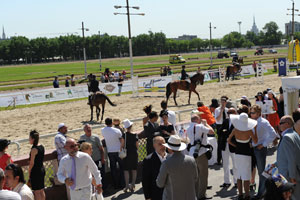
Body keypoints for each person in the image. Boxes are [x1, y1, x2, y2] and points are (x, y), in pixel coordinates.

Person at [156, 135, 198, 200]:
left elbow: (160, 183)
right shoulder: (191, 160)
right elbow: (195, 178)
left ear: (169, 148)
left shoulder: (166, 163)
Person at [228, 113, 258, 200]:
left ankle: (240, 194)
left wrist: (236, 146)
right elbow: (256, 141)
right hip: (246, 154)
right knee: (246, 176)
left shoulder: (235, 130)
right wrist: (255, 130)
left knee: (239, 175)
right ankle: (247, 195)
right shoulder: (249, 131)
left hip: (238, 153)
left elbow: (228, 140)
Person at [250, 105, 278, 199]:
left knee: (262, 172)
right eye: (251, 112)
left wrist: (263, 144)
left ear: (258, 113)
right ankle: (262, 191)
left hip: (260, 149)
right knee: (258, 171)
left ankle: (261, 193)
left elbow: (273, 134)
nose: (251, 114)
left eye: (253, 113)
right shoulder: (252, 122)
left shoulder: (263, 122)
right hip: (254, 148)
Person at [187, 115, 214, 200]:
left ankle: (196, 193)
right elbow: (212, 131)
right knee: (203, 175)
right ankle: (201, 195)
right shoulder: (200, 126)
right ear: (197, 120)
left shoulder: (188, 128)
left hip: (192, 153)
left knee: (196, 175)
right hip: (201, 152)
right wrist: (206, 124)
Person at [79, 124, 105, 189]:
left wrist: (102, 158)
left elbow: (101, 149)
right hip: (88, 161)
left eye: (90, 128)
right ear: (84, 130)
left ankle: (103, 189)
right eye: (87, 129)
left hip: (97, 159)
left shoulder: (95, 137)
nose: (89, 130)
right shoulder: (82, 138)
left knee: (100, 175)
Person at [101, 118, 125, 189]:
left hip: (110, 151)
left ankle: (115, 184)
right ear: (112, 123)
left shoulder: (103, 130)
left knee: (113, 168)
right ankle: (122, 183)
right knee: (121, 167)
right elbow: (121, 140)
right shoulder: (117, 130)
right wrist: (121, 148)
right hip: (118, 150)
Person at [219, 108, 237, 188]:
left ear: (235, 113)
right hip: (225, 145)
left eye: (230, 112)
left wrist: (225, 132)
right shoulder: (225, 121)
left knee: (235, 165)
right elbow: (220, 131)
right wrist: (225, 132)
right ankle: (227, 181)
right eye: (228, 112)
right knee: (225, 164)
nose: (229, 114)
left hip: (233, 145)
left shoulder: (237, 122)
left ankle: (236, 181)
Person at [276, 116, 295, 180]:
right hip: (285, 174)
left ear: (287, 124)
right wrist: (276, 163)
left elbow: (291, 159)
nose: (279, 125)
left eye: (281, 123)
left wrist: (292, 176)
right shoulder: (293, 134)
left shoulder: (287, 138)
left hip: (287, 176)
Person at [122, 119, 139, 192]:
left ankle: (126, 186)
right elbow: (137, 145)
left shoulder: (124, 135)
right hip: (134, 153)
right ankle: (132, 185)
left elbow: (122, 145)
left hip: (127, 153)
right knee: (134, 169)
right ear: (131, 126)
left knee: (126, 170)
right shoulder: (135, 135)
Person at [28, 130, 45, 200]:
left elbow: (32, 163)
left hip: (36, 171)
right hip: (41, 169)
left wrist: (29, 171)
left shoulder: (34, 149)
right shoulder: (41, 146)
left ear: (33, 139)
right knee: (41, 190)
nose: (29, 140)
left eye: (29, 138)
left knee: (37, 191)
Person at [215, 96, 229, 165]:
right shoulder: (217, 110)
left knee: (226, 142)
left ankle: (225, 159)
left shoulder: (227, 110)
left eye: (224, 102)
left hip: (225, 125)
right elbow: (217, 119)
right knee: (219, 142)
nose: (223, 103)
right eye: (222, 102)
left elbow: (228, 118)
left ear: (226, 102)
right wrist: (221, 111)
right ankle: (219, 159)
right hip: (219, 126)